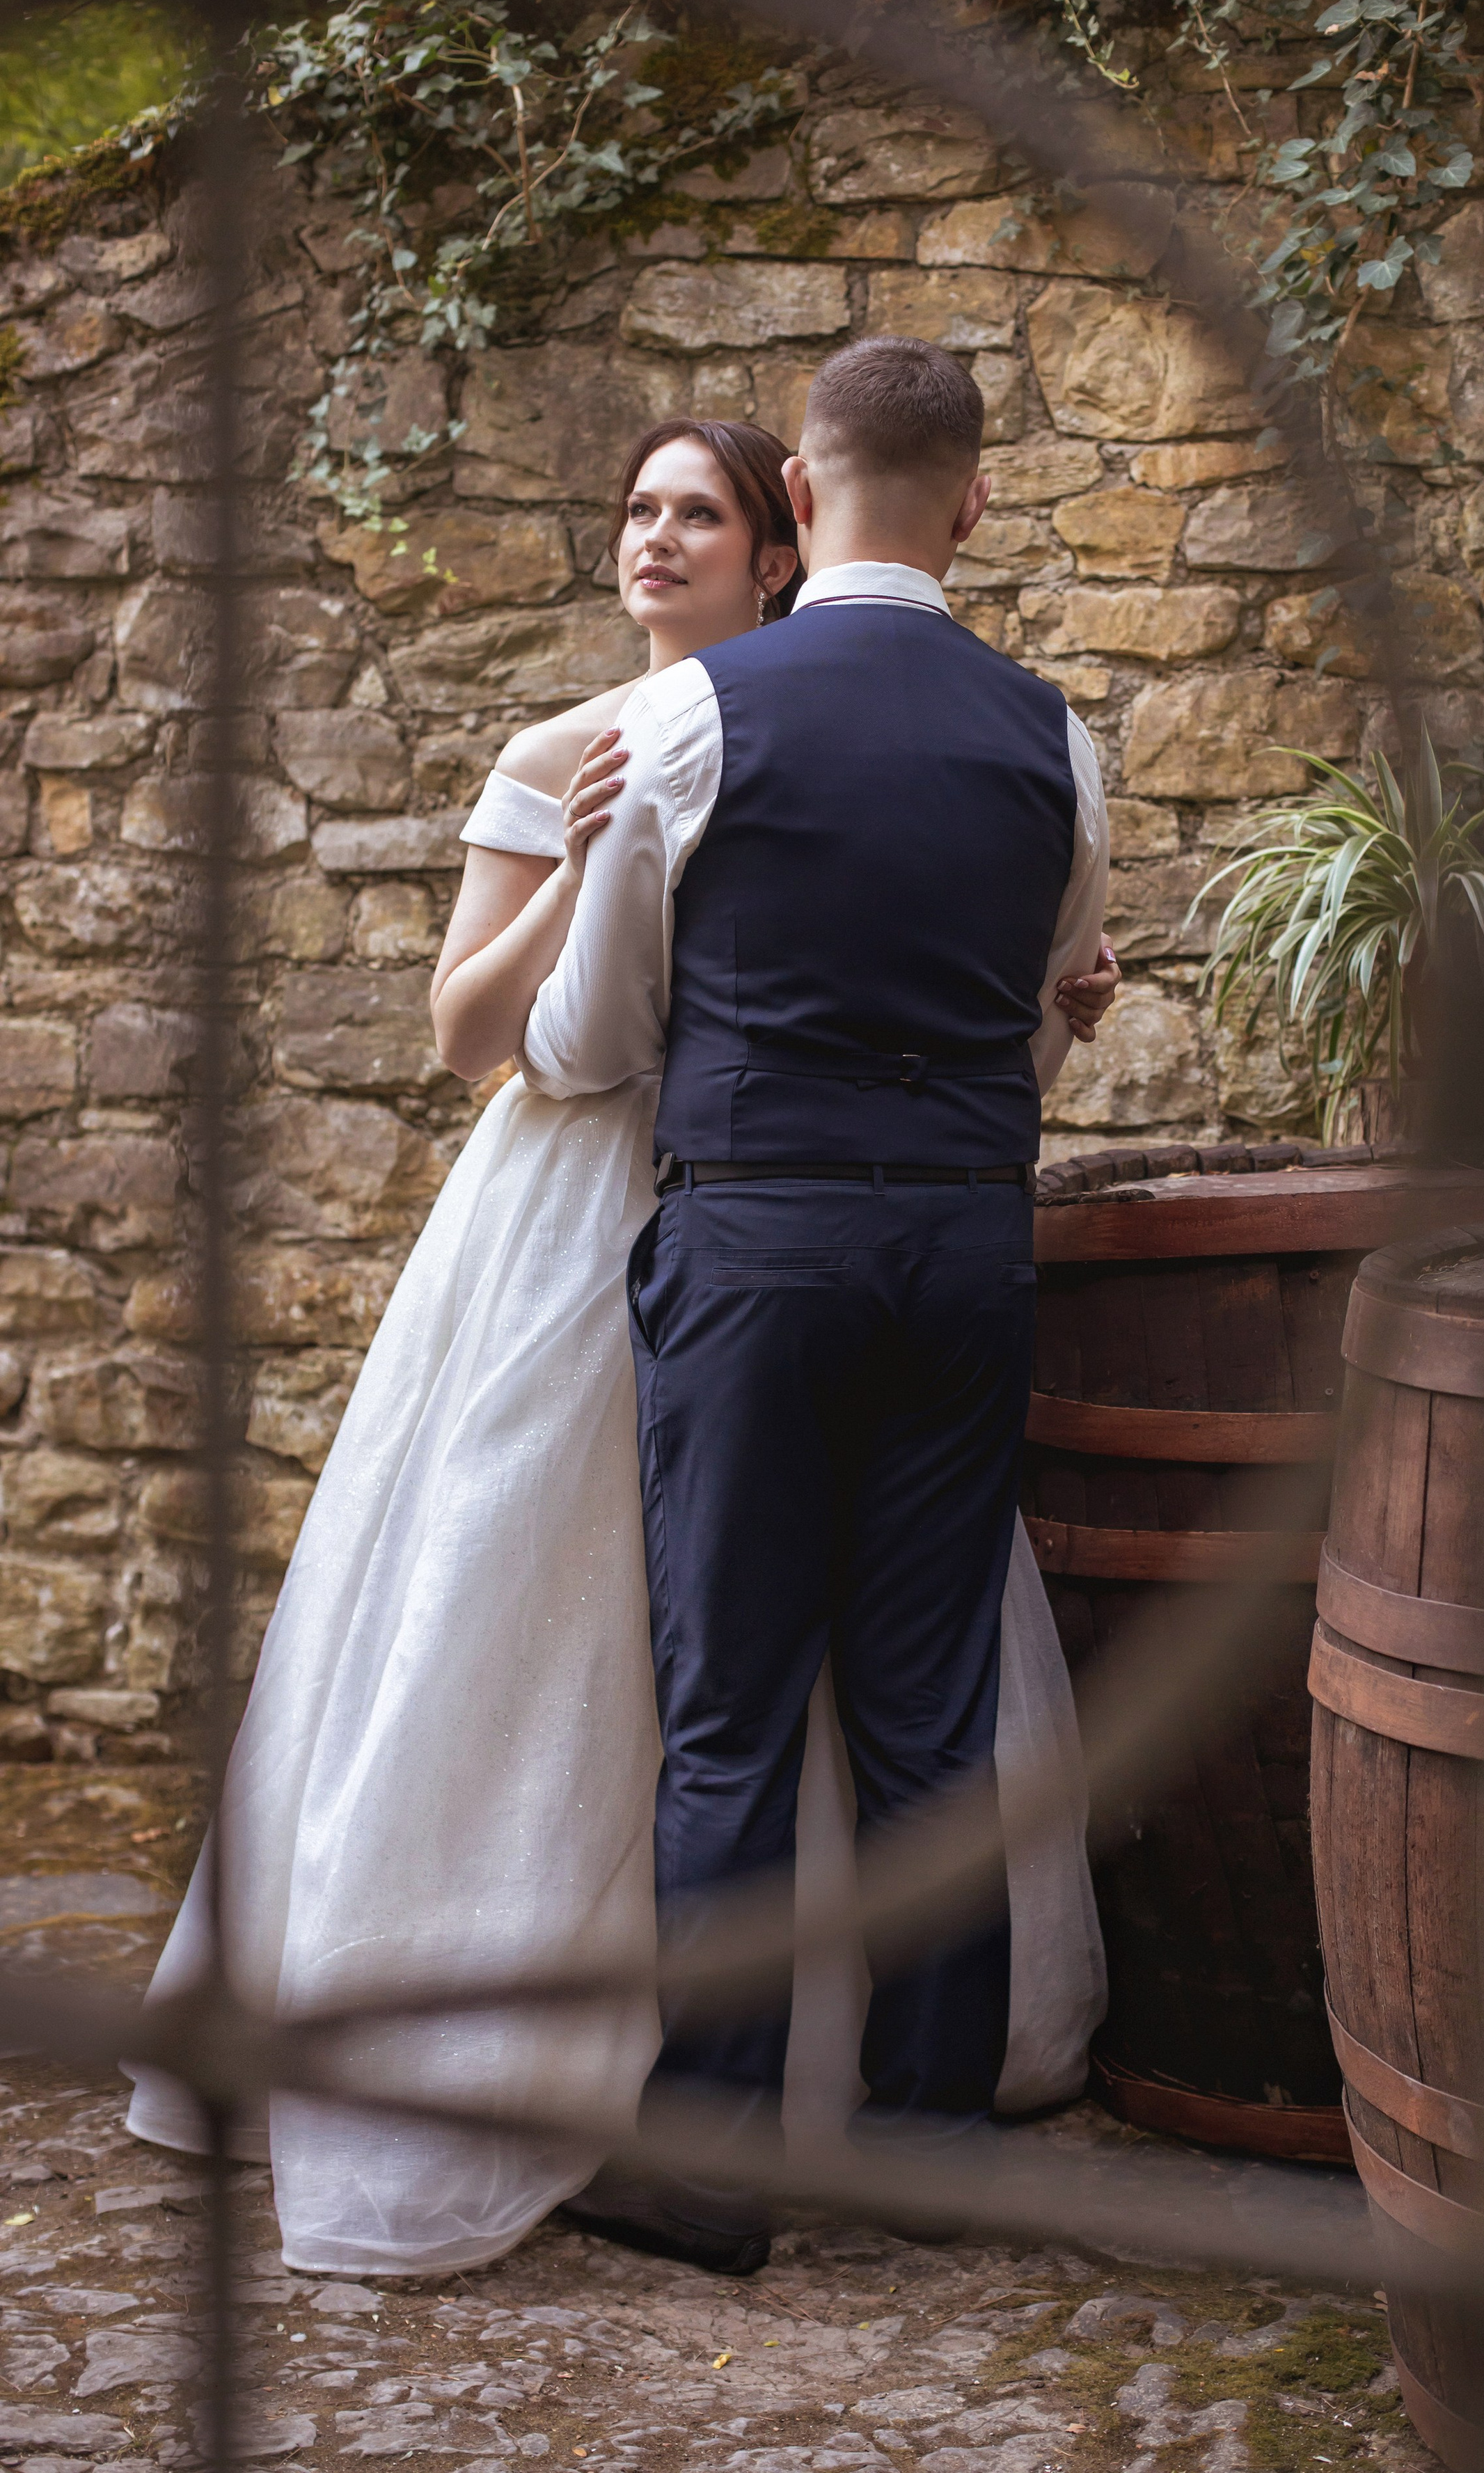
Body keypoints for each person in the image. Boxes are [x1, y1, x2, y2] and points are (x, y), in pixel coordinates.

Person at [124, 409, 1114, 2280]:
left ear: (783, 539)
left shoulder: (756, 724)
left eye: (700, 510)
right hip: (600, 1229)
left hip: (743, 1222)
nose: (655, 537)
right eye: (636, 505)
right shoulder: (589, 750)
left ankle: (737, 2135)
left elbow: (640, 1027)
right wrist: (584, 871)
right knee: (642, 1656)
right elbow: (477, 1035)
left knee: (764, 1698)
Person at [519, 342, 1112, 2280]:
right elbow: (1040, 1009)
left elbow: (594, 1035)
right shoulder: (1055, 737)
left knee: (732, 1712)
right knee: (933, 1712)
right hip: (965, 1247)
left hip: (758, 1245)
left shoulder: (693, 715)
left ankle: (705, 2162)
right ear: (976, 502)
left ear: (794, 481)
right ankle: (933, 2141)